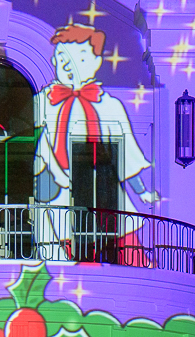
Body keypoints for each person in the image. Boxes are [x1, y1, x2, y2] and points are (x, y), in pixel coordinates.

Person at [30, 25, 158, 263]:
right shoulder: (45, 102)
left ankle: (137, 271)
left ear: (96, 62)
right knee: (66, 241)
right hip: (62, 187)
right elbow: (23, 131)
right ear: (54, 61)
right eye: (62, 58)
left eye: (79, 58)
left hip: (104, 191)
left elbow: (126, 156)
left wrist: (142, 191)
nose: (69, 66)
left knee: (126, 243)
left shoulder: (110, 107)